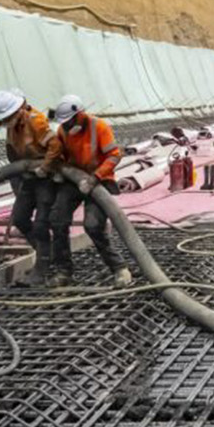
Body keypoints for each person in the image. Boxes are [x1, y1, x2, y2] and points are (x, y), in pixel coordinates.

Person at [41, 95, 134, 288]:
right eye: (64, 123)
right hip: (75, 181)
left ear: (80, 114)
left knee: (92, 225)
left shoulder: (98, 127)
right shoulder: (63, 130)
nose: (67, 126)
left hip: (99, 180)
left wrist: (95, 178)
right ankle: (63, 271)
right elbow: (61, 154)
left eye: (69, 121)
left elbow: (114, 155)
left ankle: (119, 268)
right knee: (57, 220)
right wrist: (56, 169)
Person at [0, 89, 55, 285]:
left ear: (18, 110)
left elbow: (55, 147)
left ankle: (42, 268)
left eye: (7, 117)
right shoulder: (12, 125)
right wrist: (16, 179)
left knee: (41, 223)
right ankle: (47, 254)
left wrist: (45, 168)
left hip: (46, 178)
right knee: (20, 218)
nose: (5, 122)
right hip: (28, 177)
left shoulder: (36, 121)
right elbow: (12, 153)